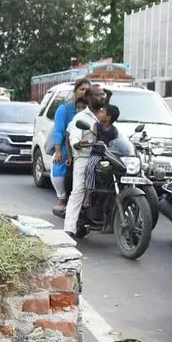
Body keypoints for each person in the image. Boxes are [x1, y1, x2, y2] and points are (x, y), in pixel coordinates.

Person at [65, 85, 108, 238]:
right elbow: (74, 137)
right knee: (78, 190)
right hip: (85, 156)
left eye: (103, 94)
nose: (102, 97)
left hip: (106, 156)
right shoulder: (81, 117)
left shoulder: (107, 115)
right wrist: (78, 143)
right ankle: (69, 228)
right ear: (89, 98)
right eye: (98, 95)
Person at [50, 78, 91, 217]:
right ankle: (62, 199)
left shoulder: (93, 110)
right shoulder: (65, 109)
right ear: (75, 91)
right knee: (59, 170)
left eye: (87, 90)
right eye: (82, 89)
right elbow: (59, 131)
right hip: (68, 147)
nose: (85, 92)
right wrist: (59, 151)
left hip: (89, 148)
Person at [82, 103, 121, 205]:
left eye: (102, 112)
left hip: (108, 155)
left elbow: (116, 143)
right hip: (97, 153)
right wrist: (96, 142)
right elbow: (94, 139)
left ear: (108, 117)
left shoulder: (114, 130)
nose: (100, 113)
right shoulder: (97, 126)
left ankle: (116, 192)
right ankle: (88, 193)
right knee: (90, 166)